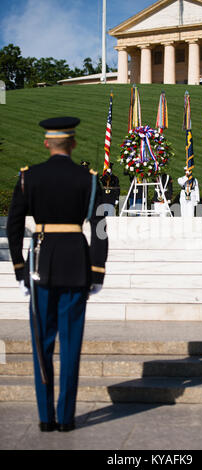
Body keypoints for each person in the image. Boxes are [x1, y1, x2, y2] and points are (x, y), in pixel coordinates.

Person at [6, 117, 108, 432]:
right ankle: (65, 418)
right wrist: (97, 270)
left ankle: (45, 417)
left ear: (47, 143)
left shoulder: (28, 177)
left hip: (41, 266)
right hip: (77, 265)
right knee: (71, 343)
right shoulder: (89, 179)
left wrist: (20, 267)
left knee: (42, 344)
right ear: (73, 143)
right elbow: (101, 228)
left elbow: (12, 226)